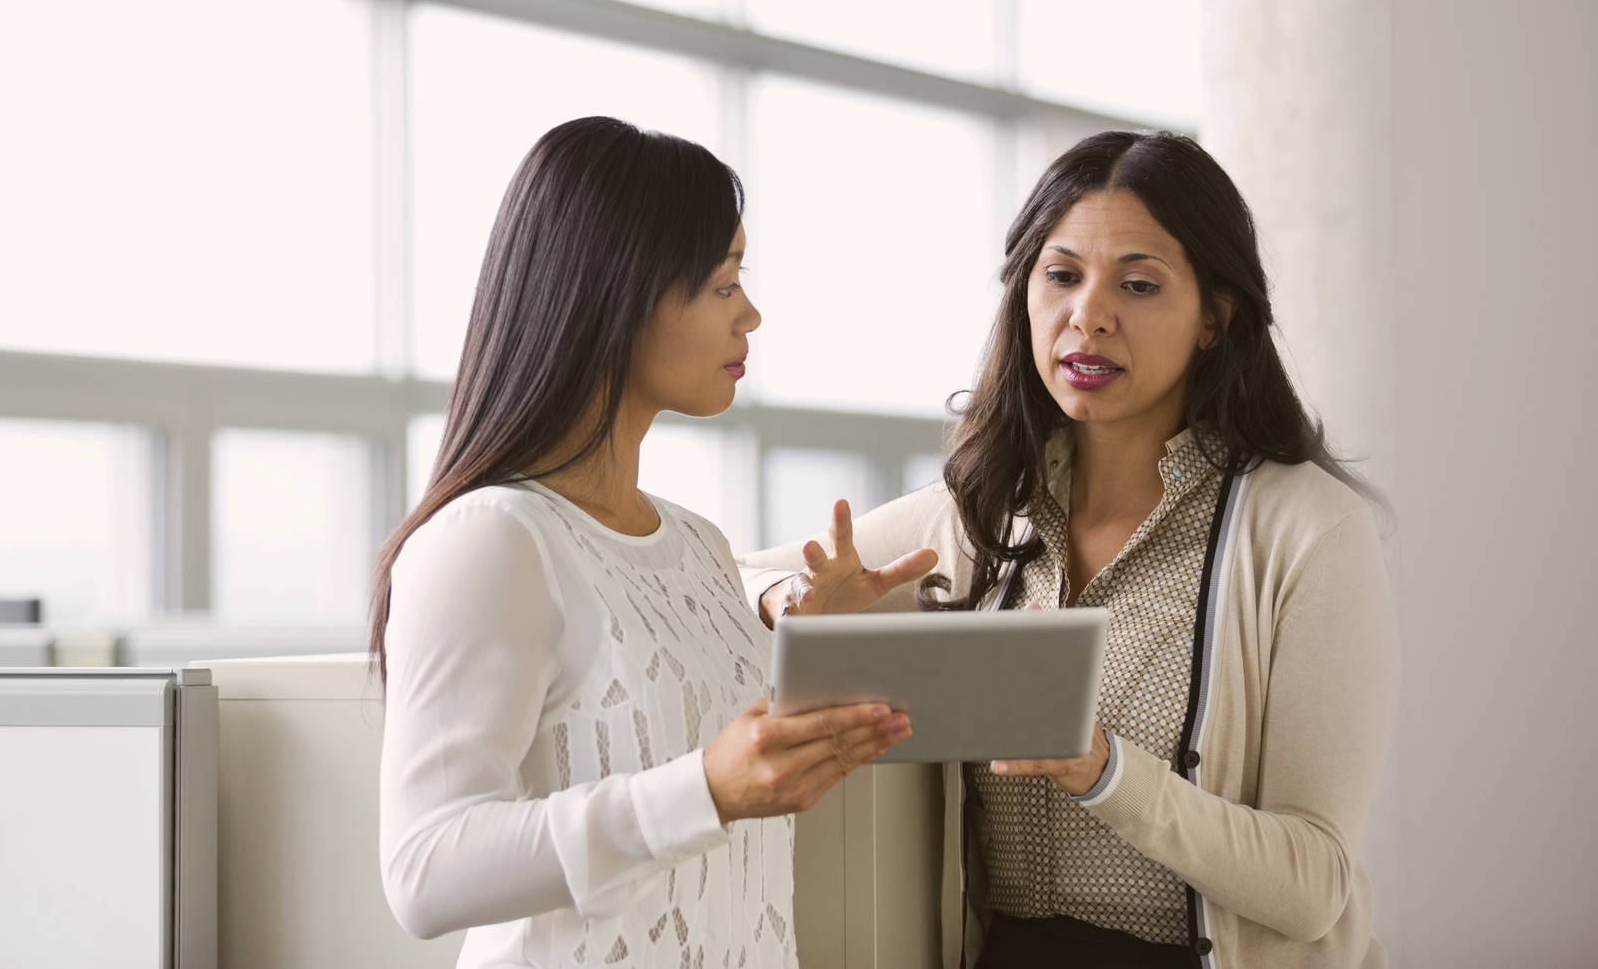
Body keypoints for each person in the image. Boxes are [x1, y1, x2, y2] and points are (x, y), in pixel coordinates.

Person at [744, 131, 1398, 969]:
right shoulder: (979, 517)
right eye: (1061, 275)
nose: (1088, 314)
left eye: (1138, 283)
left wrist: (1104, 772)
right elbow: (714, 571)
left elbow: (1314, 885)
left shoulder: (1307, 531)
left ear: (1215, 317)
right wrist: (792, 602)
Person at [373, 116, 925, 969]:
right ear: (621, 293)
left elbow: (674, 731)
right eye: (723, 283)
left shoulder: (700, 544)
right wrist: (702, 791)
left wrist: (814, 637)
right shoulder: (490, 541)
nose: (752, 314)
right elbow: (425, 871)